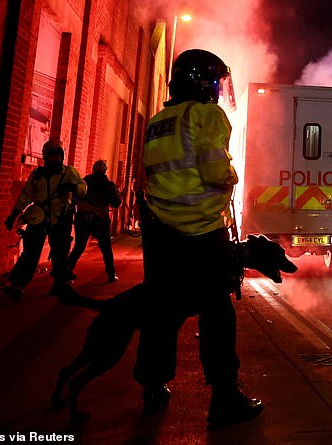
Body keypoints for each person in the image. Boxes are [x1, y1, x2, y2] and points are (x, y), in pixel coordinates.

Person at [134, 49, 263, 428]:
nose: (219, 90)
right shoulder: (206, 115)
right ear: (204, 82)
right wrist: (232, 176)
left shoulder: (159, 120)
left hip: (161, 233)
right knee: (216, 313)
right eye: (216, 82)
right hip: (202, 231)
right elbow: (213, 171)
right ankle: (225, 396)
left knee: (161, 311)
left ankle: (152, 386)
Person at [4, 140, 86, 298]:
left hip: (61, 217)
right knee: (31, 252)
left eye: (58, 156)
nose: (55, 159)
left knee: (60, 253)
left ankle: (60, 284)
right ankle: (18, 284)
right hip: (39, 217)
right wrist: (14, 214)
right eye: (52, 156)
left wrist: (72, 188)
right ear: (45, 157)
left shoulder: (68, 172)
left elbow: (83, 188)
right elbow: (26, 195)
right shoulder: (37, 175)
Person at [67, 160, 122, 282]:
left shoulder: (84, 181)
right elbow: (116, 202)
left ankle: (66, 271)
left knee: (79, 246)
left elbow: (75, 197)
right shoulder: (108, 185)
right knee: (106, 248)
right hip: (100, 219)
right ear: (104, 170)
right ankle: (111, 274)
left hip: (83, 218)